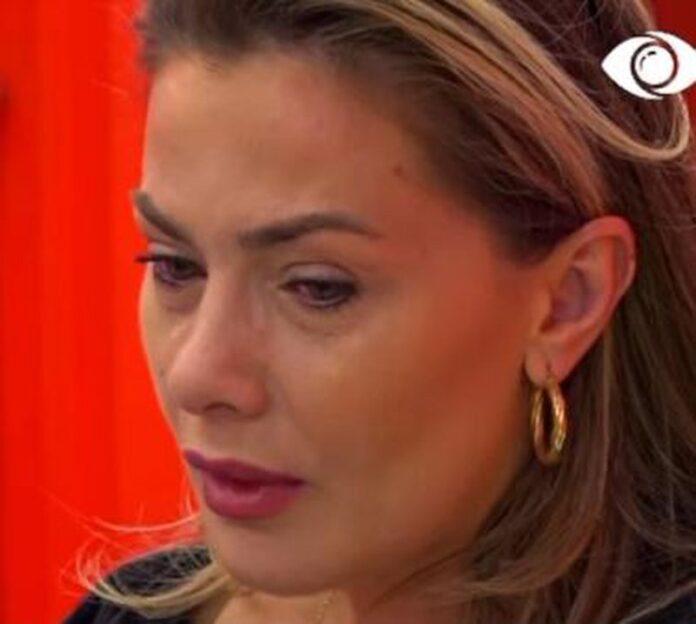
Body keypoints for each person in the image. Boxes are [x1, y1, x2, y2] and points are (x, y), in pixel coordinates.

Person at [64, 0, 696, 623]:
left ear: (566, 303)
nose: (196, 377)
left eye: (317, 287)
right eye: (175, 266)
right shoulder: (127, 611)